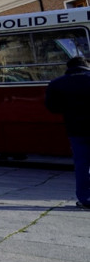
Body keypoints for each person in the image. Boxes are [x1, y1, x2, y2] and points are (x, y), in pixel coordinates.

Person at [45, 56, 90, 209]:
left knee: (82, 164)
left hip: (76, 128)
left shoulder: (57, 83)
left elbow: (52, 107)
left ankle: (86, 198)